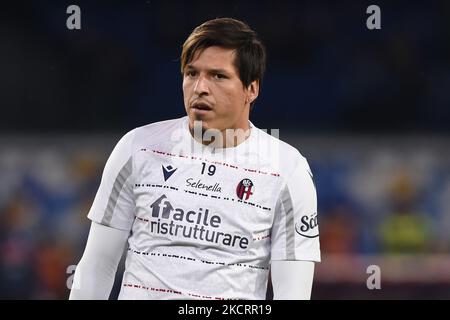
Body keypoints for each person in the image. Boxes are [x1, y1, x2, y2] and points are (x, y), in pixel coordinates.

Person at [69, 17, 320, 300]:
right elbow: (96, 268)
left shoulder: (287, 169)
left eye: (218, 76)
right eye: (191, 73)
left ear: (252, 88)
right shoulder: (136, 148)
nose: (200, 87)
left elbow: (293, 294)